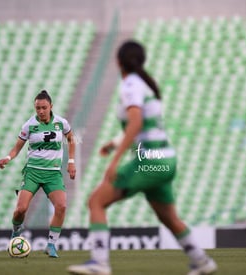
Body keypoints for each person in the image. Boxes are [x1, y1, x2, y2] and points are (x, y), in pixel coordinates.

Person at [67, 40, 217, 275]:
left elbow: (136, 122)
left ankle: (99, 263)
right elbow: (145, 126)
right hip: (165, 158)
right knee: (169, 218)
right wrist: (116, 142)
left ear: (119, 62)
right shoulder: (146, 86)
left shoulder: (130, 85)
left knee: (96, 201)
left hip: (151, 161)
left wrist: (115, 160)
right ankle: (202, 261)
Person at [0, 90, 76, 258]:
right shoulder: (29, 125)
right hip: (33, 172)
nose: (40, 111)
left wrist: (71, 161)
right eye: (37, 108)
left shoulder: (61, 123)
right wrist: (7, 157)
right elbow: (17, 147)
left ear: (51, 107)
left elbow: (71, 139)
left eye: (43, 107)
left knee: (61, 206)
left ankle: (51, 245)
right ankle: (16, 233)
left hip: (53, 173)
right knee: (21, 209)